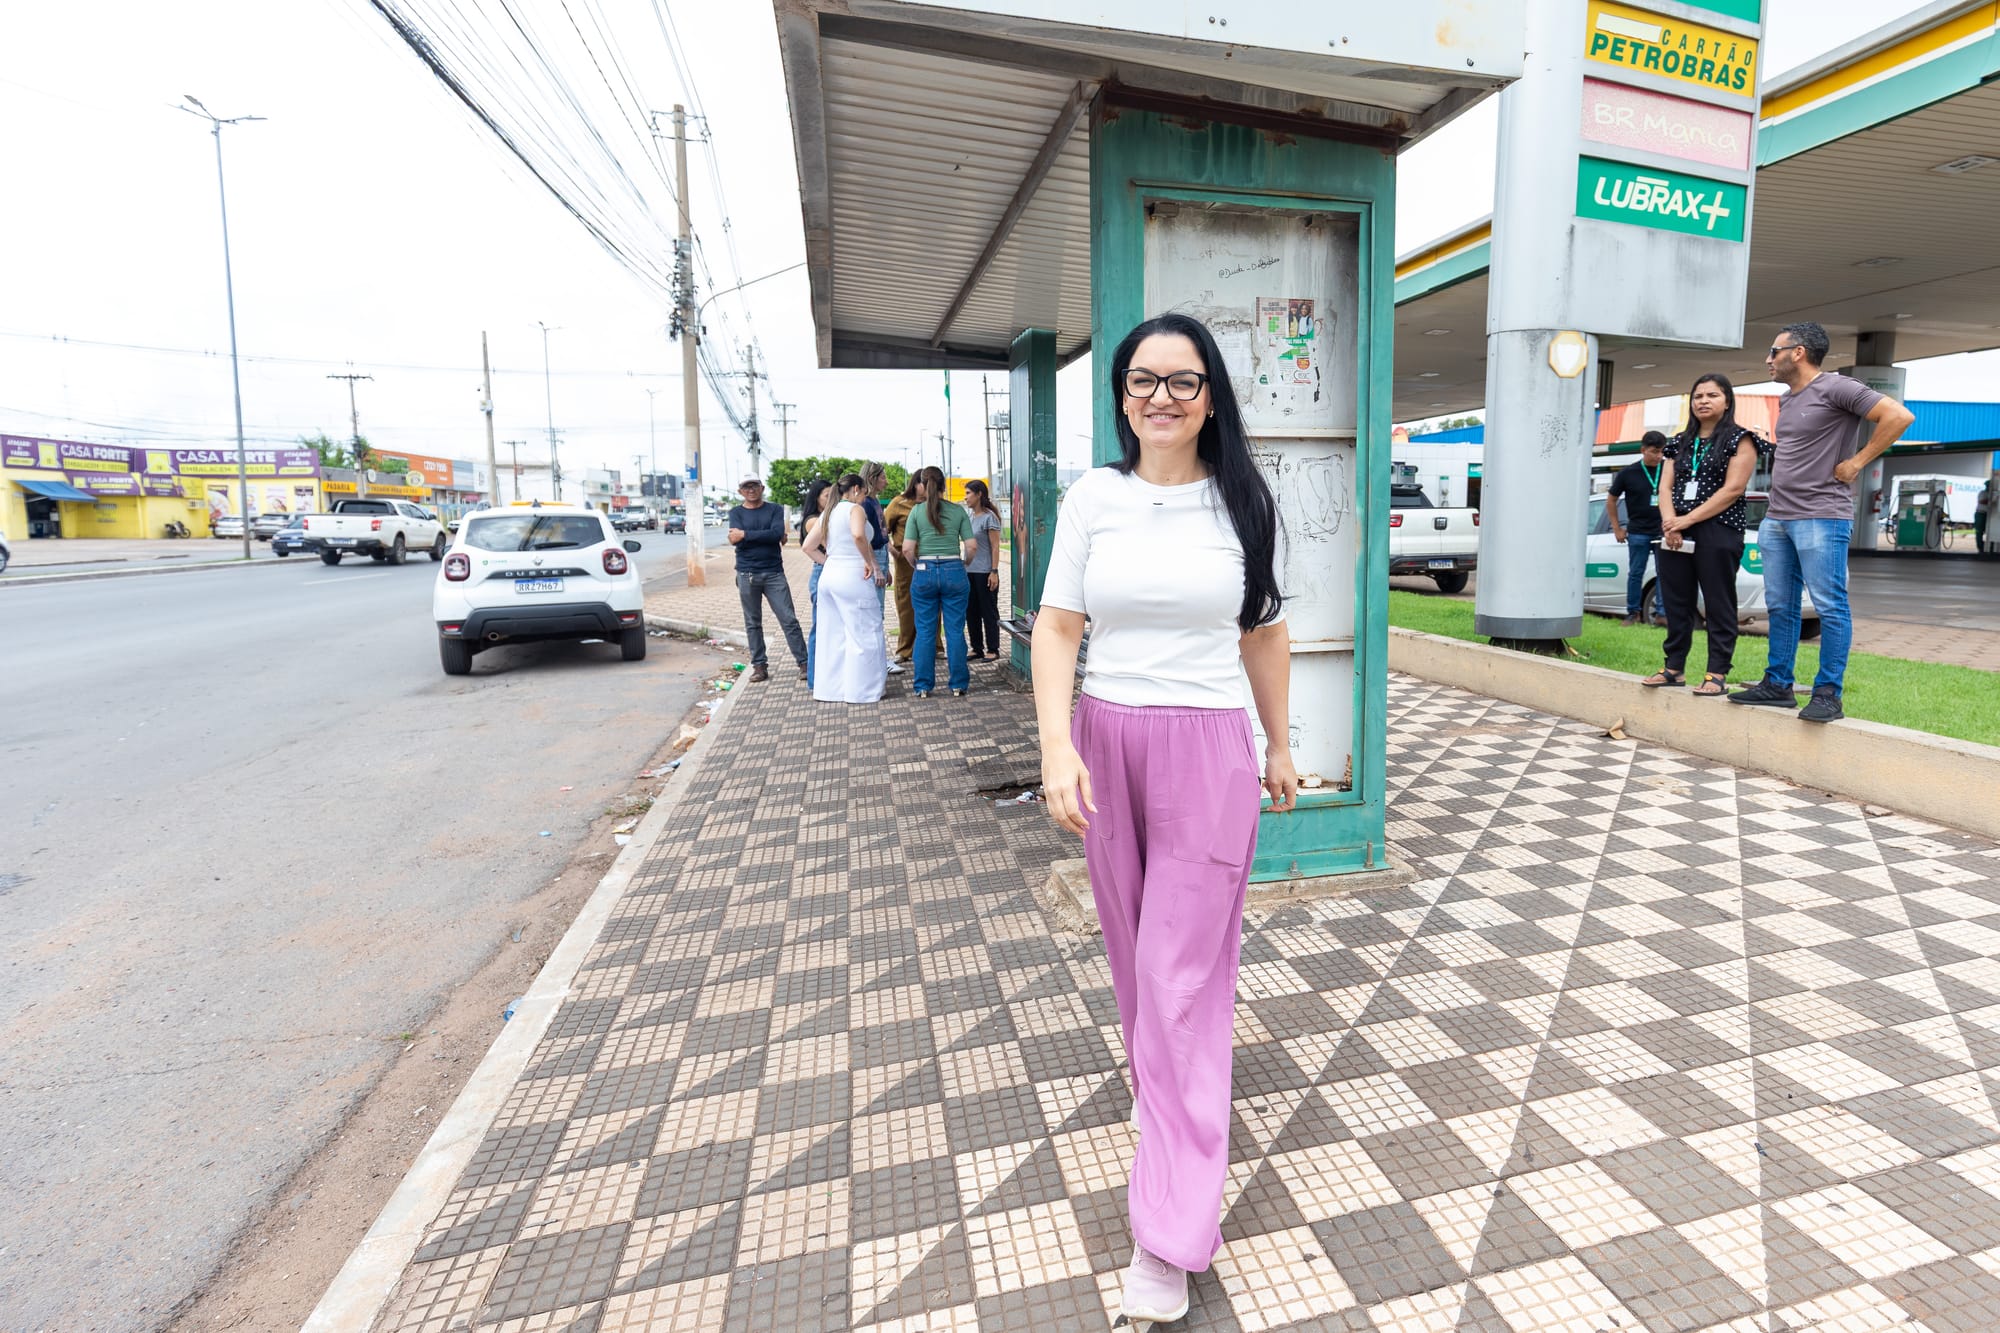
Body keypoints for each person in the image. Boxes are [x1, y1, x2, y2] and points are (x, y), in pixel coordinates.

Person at [1032, 312, 1298, 1326]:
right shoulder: (1092, 497)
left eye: (1181, 382)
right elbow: (1059, 627)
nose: (1159, 398)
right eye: (1141, 381)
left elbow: (1264, 634)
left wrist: (1277, 743)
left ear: (1210, 395)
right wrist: (1056, 745)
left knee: (1176, 977)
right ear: (1120, 395)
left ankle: (1169, 1231)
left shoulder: (1243, 502)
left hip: (1207, 751)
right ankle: (1166, 1105)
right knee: (1131, 957)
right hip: (1105, 739)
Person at [1729, 322, 1914, 721]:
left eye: (1773, 351)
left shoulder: (1837, 387)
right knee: (1780, 605)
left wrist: (1857, 463)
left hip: (1822, 515)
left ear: (1798, 352)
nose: (1768, 359)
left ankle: (1828, 693)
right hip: (1779, 517)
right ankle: (1778, 684)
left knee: (1830, 607)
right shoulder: (1789, 399)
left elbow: (1898, 416)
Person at [1641, 376, 1764, 695]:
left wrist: (1686, 520)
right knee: (1676, 600)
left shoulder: (1741, 439)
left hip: (1718, 528)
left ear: (1727, 401)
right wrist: (1670, 522)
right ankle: (1673, 668)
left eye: (1712, 395)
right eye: (1697, 396)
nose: (1703, 401)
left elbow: (1733, 489)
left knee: (1718, 601)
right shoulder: (1678, 442)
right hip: (1675, 528)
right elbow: (1664, 486)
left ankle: (1716, 673)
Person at [812, 474, 887, 704]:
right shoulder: (855, 510)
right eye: (864, 493)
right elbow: (857, 535)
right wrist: (870, 563)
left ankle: (830, 690)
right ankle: (864, 691)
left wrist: (833, 562)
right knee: (865, 631)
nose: (864, 498)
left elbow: (808, 546)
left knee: (832, 635)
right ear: (856, 489)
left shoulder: (829, 512)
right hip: (853, 576)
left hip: (830, 576)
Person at [903, 465, 976, 699]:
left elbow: (906, 549)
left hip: (924, 569)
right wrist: (964, 563)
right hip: (953, 568)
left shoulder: (916, 512)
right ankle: (958, 685)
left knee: (925, 631)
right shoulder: (958, 511)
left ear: (922, 485)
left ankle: (923, 686)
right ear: (944, 485)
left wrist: (918, 565)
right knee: (955, 630)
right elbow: (972, 546)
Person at [728, 476, 807, 682]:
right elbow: (736, 540)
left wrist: (745, 534)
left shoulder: (774, 509)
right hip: (746, 574)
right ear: (740, 491)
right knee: (753, 623)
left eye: (754, 485)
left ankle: (804, 663)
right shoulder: (735, 512)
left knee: (789, 619)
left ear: (762, 488)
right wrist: (762, 536)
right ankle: (759, 666)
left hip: (774, 573)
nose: (751, 490)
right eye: (746, 486)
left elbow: (776, 534)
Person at [1607, 432, 1669, 626]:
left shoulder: (1668, 469)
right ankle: (1633, 613)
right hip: (1638, 531)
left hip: (1663, 530)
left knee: (1665, 572)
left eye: (1661, 452)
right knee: (1636, 572)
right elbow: (1611, 499)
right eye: (1654, 452)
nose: (1658, 456)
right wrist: (1617, 527)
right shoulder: (1628, 473)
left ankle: (1662, 613)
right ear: (1643, 450)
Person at [962, 479, 1004, 660]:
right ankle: (976, 647)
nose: (965, 498)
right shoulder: (970, 517)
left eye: (968, 493)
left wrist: (994, 571)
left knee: (988, 611)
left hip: (985, 572)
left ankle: (993, 649)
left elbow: (995, 547)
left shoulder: (989, 518)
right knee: (971, 611)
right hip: (968, 572)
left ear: (979, 494)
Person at [798, 478, 835, 688]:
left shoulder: (826, 517)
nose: (830, 499)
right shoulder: (814, 520)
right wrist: (831, 563)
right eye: (826, 496)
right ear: (816, 498)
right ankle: (813, 679)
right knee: (819, 628)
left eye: (832, 495)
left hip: (827, 572)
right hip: (822, 573)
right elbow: (830, 546)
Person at [883, 474, 920, 672]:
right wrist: (893, 550)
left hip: (928, 559)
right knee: (906, 603)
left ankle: (935, 646)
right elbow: (883, 530)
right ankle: (905, 649)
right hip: (905, 561)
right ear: (917, 483)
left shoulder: (933, 503)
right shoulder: (899, 503)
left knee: (933, 603)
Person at [860, 461, 893, 669]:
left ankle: (878, 658)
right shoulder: (864, 504)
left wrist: (886, 566)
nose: (886, 481)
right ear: (872, 478)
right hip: (874, 557)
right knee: (875, 610)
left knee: (878, 609)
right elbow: (864, 538)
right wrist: (877, 567)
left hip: (881, 555)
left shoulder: (874, 501)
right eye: (882, 477)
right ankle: (876, 661)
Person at [1977, 472, 1999, 556]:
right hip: (1981, 514)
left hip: (1990, 515)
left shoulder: (1993, 494)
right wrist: (1992, 500)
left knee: (1992, 532)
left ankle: (1991, 548)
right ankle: (1981, 549)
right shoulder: (1983, 493)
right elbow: (1982, 501)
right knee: (1979, 532)